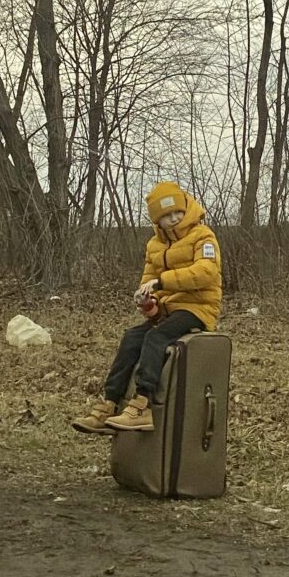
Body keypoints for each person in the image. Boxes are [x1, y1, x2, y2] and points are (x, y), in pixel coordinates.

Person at [72, 180, 222, 434]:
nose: (174, 219)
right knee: (132, 338)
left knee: (157, 336)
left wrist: (162, 281)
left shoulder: (203, 236)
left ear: (186, 208)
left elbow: (206, 272)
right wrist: (147, 301)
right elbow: (148, 279)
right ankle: (110, 403)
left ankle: (143, 404)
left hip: (198, 309)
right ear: (157, 220)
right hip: (169, 310)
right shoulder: (154, 245)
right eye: (166, 216)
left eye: (177, 212)